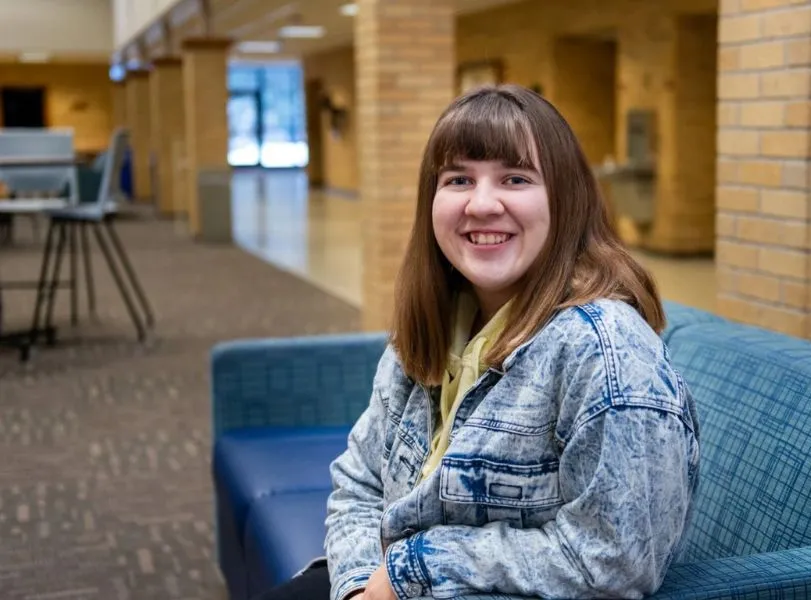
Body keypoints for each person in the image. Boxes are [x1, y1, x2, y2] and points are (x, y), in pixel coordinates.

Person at [254, 84, 700, 600]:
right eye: (458, 179)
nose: (482, 204)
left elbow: (616, 559)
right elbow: (361, 482)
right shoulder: (437, 323)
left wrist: (412, 571)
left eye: (516, 178)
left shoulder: (605, 350)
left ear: (566, 200)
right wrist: (358, 587)